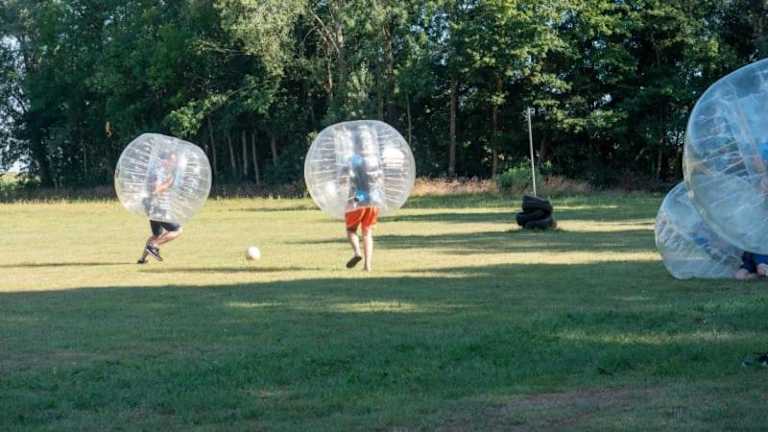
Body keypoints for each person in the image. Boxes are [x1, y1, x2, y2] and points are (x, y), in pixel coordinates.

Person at [342, 127, 384, 272]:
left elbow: (343, 178)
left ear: (355, 144)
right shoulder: (376, 159)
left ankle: (357, 252)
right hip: (374, 199)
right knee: (367, 233)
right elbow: (380, 179)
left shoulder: (354, 159)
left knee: (351, 230)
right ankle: (367, 266)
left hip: (358, 198)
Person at [137, 151, 183, 264]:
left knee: (156, 235)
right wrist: (167, 184)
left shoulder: (166, 173)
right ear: (165, 161)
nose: (173, 163)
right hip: (158, 207)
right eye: (171, 160)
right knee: (177, 230)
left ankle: (143, 259)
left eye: (175, 161)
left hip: (153, 207)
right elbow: (155, 190)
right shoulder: (158, 172)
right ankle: (154, 246)